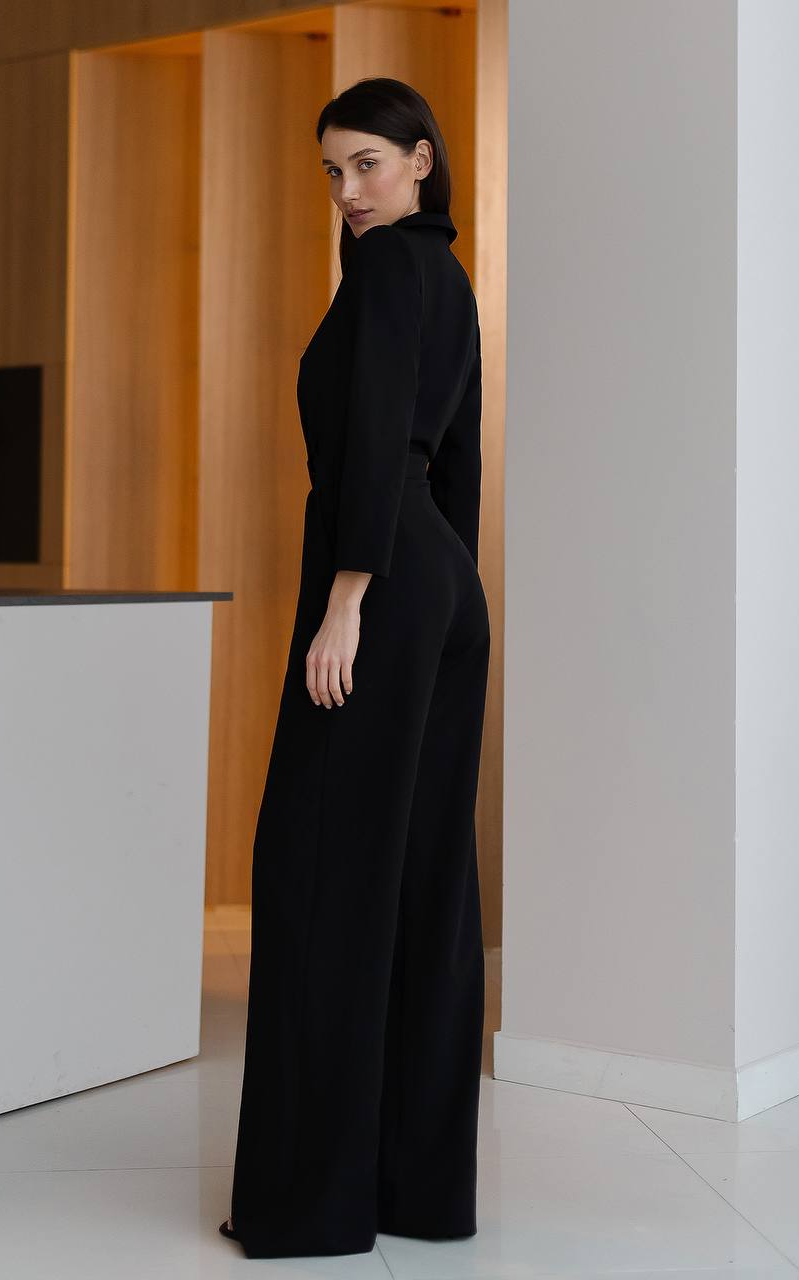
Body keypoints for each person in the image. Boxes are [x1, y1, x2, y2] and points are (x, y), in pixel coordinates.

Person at [220, 75, 489, 1259]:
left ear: (422, 160)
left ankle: (308, 1203)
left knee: (320, 877)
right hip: (440, 590)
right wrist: (443, 602)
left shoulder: (386, 272)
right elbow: (455, 465)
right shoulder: (451, 278)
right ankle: (415, 1191)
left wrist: (349, 604)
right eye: (332, 171)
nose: (349, 191)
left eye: (369, 163)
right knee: (424, 885)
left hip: (375, 590)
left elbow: (377, 440)